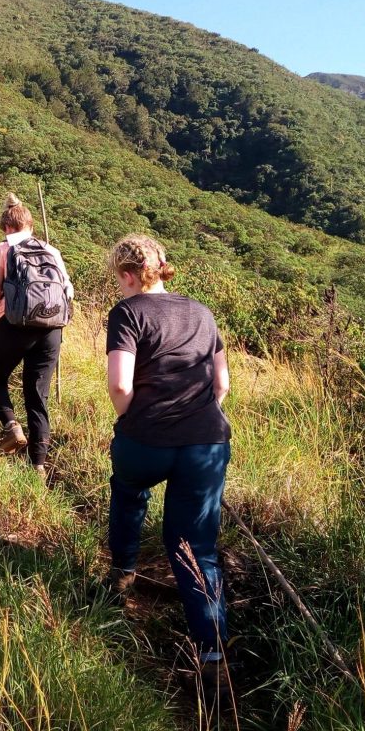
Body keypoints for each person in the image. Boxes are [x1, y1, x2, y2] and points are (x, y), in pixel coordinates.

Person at [103, 234, 232, 678]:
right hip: (207, 443)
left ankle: (122, 574)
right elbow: (221, 386)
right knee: (197, 546)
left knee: (127, 491)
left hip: (146, 439)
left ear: (128, 274)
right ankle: (213, 654)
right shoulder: (201, 312)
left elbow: (121, 385)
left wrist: (129, 420)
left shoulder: (127, 313)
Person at [0, 195, 73, 478]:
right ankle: (38, 466)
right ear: (30, 224)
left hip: (14, 326)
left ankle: (11, 426)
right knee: (37, 395)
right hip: (52, 330)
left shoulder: (2, 250)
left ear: (5, 227)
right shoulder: (51, 250)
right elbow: (68, 292)